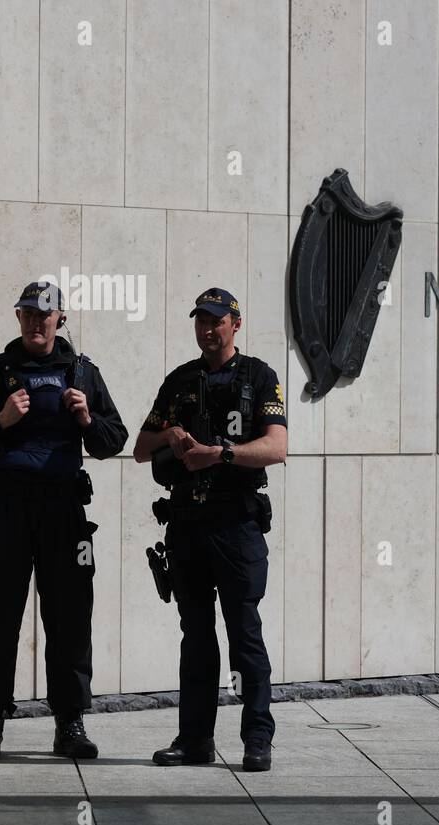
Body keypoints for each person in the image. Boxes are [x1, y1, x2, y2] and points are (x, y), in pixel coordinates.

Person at [0, 281, 128, 760]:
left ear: (60, 317)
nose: (37, 321)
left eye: (46, 313)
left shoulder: (81, 372)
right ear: (18, 317)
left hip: (64, 512)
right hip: (2, 510)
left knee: (69, 619)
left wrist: (88, 421)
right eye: (28, 313)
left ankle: (70, 724)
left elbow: (114, 440)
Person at [133, 287, 287, 772]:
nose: (208, 327)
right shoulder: (180, 381)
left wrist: (219, 454)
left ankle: (256, 738)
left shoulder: (259, 376)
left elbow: (277, 447)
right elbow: (140, 447)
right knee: (196, 636)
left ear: (235, 324)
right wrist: (170, 435)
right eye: (201, 319)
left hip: (236, 525)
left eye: (217, 320)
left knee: (244, 634)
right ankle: (194, 740)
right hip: (187, 526)